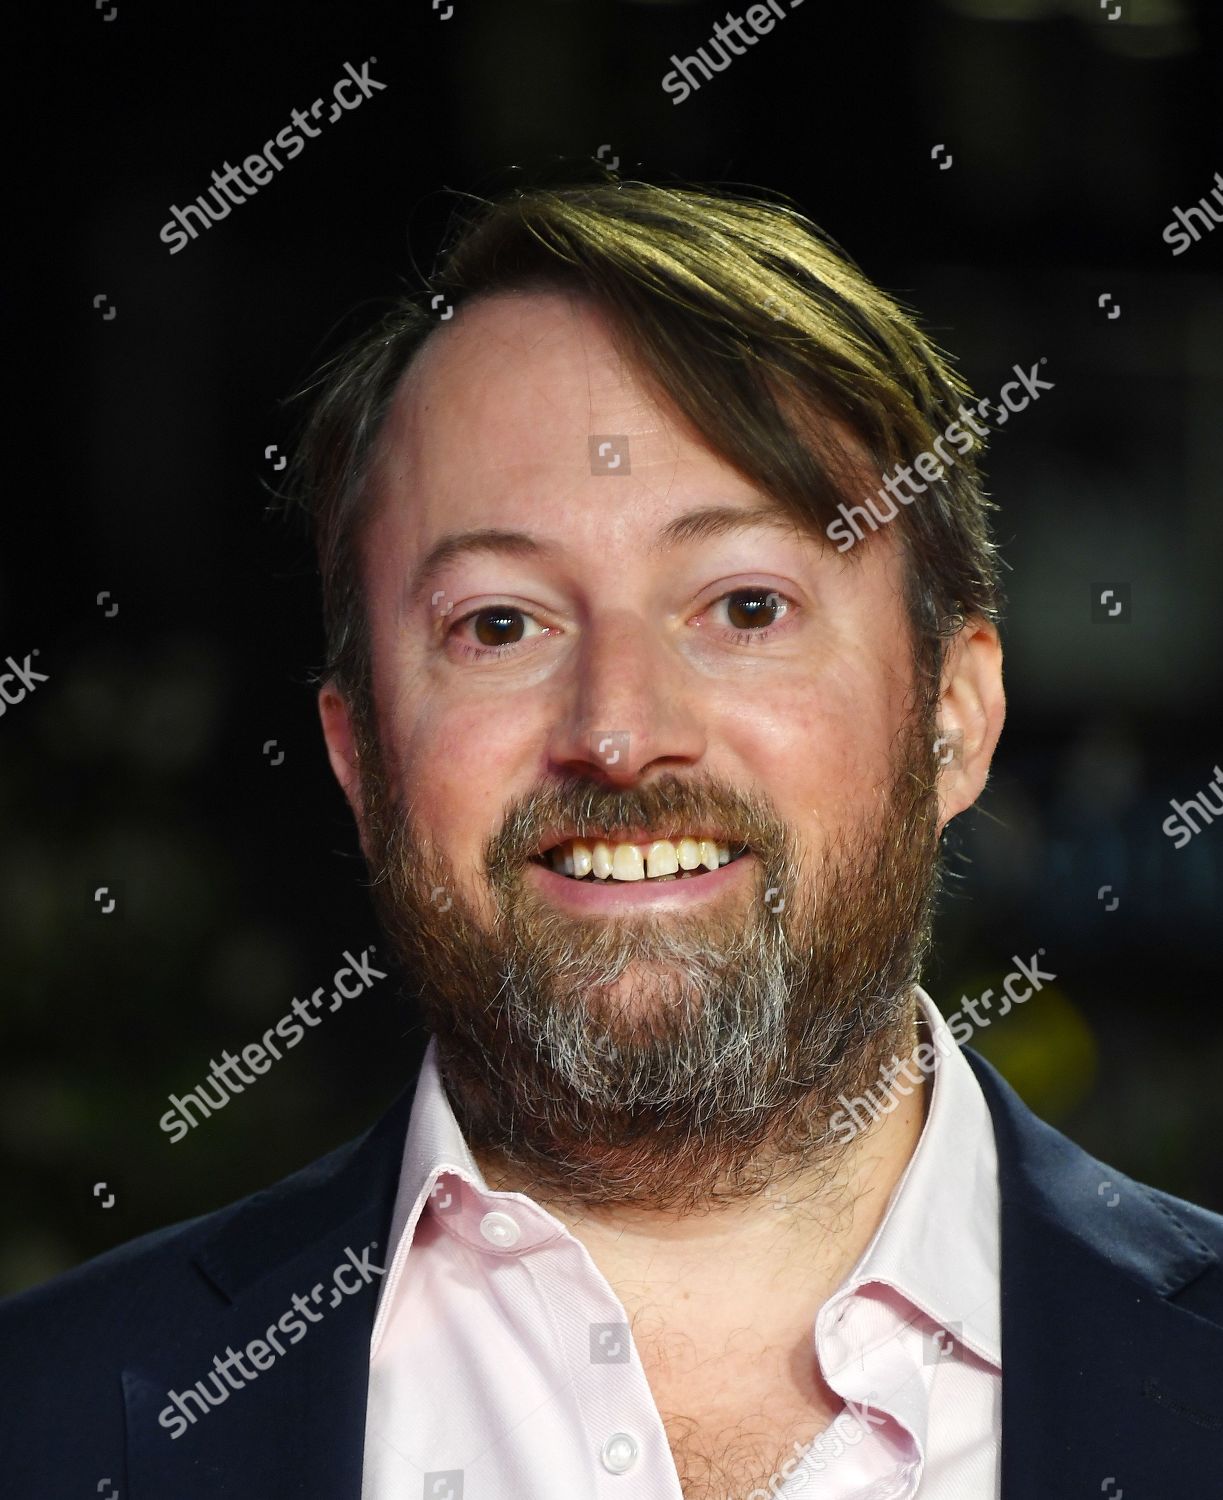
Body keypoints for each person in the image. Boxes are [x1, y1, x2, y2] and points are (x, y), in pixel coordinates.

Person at [4, 176, 1222, 1499]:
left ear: (955, 714)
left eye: (746, 605)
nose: (619, 732)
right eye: (500, 624)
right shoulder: (44, 1423)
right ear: (358, 756)